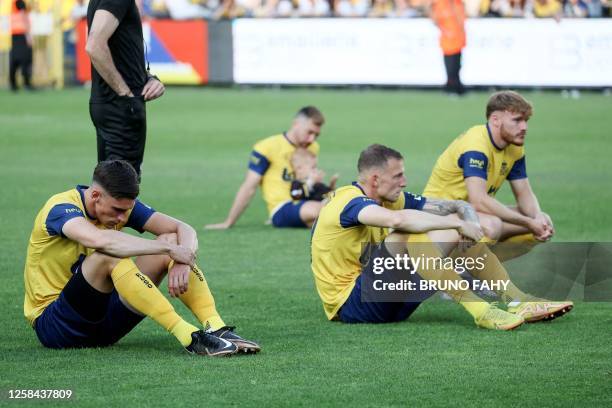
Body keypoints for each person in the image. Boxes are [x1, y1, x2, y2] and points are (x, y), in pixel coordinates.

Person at [311, 144, 573, 329]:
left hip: (389, 298)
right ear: (376, 178)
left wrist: (465, 220)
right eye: (398, 175)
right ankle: (482, 312)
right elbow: (397, 220)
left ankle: (518, 301)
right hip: (353, 305)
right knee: (407, 234)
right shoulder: (349, 201)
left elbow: (454, 205)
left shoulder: (392, 197)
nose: (404, 181)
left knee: (448, 233)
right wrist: (455, 224)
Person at [24, 160, 260, 356]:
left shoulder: (121, 207)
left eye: (127, 210)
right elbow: (100, 241)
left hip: (107, 324)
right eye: (117, 209)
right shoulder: (60, 208)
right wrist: (168, 251)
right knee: (110, 254)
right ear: (95, 195)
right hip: (57, 326)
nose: (121, 216)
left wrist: (180, 259)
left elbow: (183, 228)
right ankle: (190, 337)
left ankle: (216, 327)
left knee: (169, 238)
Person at [423, 91, 552, 260]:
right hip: (437, 214)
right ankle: (465, 273)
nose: (524, 127)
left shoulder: (515, 147)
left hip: (470, 213)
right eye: (517, 120)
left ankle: (483, 270)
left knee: (544, 222)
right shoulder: (476, 146)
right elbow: (479, 201)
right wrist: (528, 222)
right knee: (492, 225)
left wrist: (537, 217)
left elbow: (524, 193)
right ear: (495, 120)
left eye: (525, 121)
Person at [205, 106, 326, 230]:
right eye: (309, 132)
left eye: (316, 135)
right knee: (325, 211)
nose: (312, 139)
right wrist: (229, 222)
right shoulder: (266, 147)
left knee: (328, 214)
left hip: (305, 204)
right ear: (296, 124)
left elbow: (308, 182)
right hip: (282, 208)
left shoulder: (313, 147)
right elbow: (249, 186)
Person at [86, 0, 165, 178]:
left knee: (109, 186)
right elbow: (94, 46)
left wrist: (149, 79)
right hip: (121, 107)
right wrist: (126, 93)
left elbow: (122, 53)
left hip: (113, 104)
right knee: (121, 190)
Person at [431, 0, 466, 96]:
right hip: (448, 42)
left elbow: (461, 21)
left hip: (459, 40)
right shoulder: (441, 4)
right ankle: (451, 87)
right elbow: (435, 19)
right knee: (450, 66)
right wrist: (445, 31)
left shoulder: (458, 3)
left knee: (457, 65)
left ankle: (457, 87)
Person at [9, 0, 33, 92]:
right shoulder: (19, 6)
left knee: (14, 61)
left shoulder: (14, 6)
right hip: (21, 36)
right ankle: (26, 83)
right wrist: (28, 37)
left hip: (15, 35)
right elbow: (23, 16)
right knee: (24, 61)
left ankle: (13, 84)